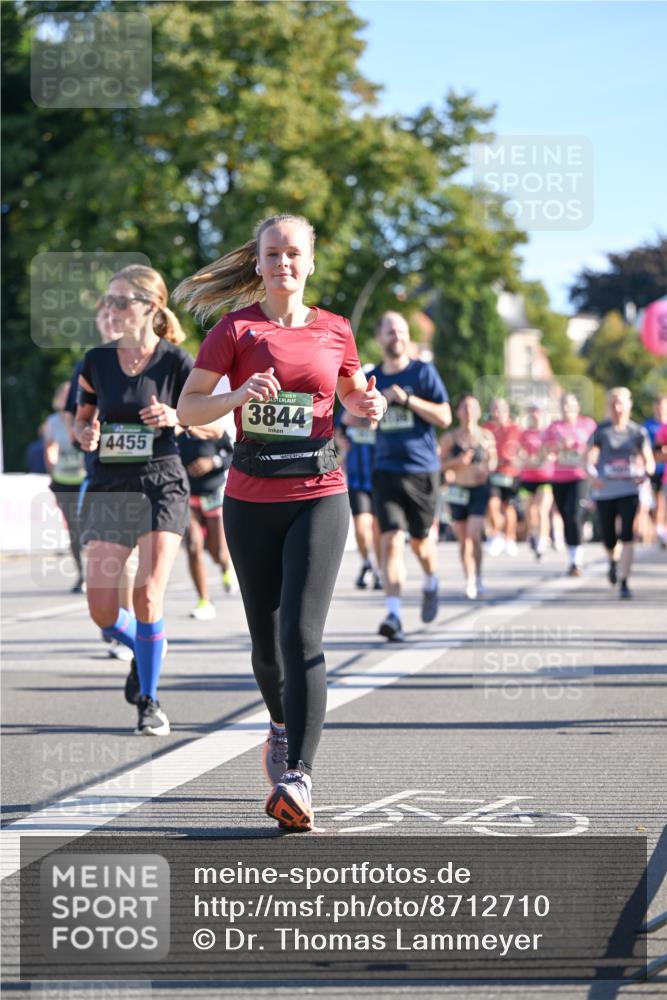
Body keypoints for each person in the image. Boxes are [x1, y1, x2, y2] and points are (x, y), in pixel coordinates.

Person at [174, 213, 385, 832]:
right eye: (272, 254)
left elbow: (349, 395)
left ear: (310, 263)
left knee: (300, 635)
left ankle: (299, 775)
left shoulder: (336, 329)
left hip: (320, 492)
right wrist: (238, 397)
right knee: (266, 646)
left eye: (294, 253)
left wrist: (365, 404)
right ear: (259, 263)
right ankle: (278, 721)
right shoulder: (235, 330)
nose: (283, 263)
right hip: (249, 501)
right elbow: (189, 410)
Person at [74, 264, 216, 736]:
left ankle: (150, 701)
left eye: (120, 301)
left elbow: (217, 423)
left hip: (162, 482)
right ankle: (146, 644)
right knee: (101, 609)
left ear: (150, 308)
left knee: (148, 594)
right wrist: (86, 431)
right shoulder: (95, 360)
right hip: (110, 486)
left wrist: (177, 417)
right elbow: (82, 418)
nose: (110, 310)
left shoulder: (177, 362)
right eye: (107, 301)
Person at [369, 312, 451, 641]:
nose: (397, 337)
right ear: (380, 339)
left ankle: (431, 580)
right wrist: (368, 412)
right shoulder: (372, 377)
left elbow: (445, 416)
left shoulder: (422, 372)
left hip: (422, 470)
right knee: (390, 542)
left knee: (420, 543)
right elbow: (356, 421)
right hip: (385, 470)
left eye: (401, 331)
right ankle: (393, 614)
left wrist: (407, 399)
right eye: (390, 331)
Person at [586, 387, 655, 598]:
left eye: (621, 403)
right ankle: (612, 561)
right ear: (610, 405)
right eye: (614, 403)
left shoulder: (637, 432)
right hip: (605, 491)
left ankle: (624, 581)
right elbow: (589, 457)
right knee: (609, 538)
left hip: (629, 490)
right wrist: (592, 476)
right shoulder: (601, 431)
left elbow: (649, 459)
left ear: (629, 405)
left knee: (627, 536)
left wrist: (646, 473)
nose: (618, 408)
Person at [440, 394, 496, 599]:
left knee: (474, 533)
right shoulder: (450, 438)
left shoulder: (487, 437)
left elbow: (493, 462)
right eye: (464, 407)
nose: (468, 411)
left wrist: (487, 470)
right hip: (458, 490)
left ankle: (479, 575)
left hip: (479, 489)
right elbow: (438, 463)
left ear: (479, 412)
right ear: (458, 412)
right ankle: (469, 578)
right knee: (463, 538)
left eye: (473, 407)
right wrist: (457, 462)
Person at [179, 424, 235, 620]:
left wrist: (212, 462)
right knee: (193, 545)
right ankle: (204, 600)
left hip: (213, 493)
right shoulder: (176, 427)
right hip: (186, 494)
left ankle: (225, 566)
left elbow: (232, 454)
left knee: (218, 552)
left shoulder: (213, 424)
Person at [544, 393, 596, 576]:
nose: (567, 408)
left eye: (571, 404)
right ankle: (572, 555)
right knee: (566, 516)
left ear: (578, 407)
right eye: (564, 404)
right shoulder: (554, 428)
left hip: (580, 475)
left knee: (574, 513)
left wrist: (580, 448)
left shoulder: (588, 425)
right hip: (559, 477)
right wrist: (557, 447)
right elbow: (545, 451)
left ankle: (577, 562)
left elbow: (597, 449)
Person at [43, 381, 87, 592]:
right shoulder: (52, 422)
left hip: (85, 479)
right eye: (62, 394)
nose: (65, 398)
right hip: (63, 480)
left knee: (90, 526)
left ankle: (102, 573)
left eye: (70, 394)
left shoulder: (85, 417)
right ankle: (82, 574)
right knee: (74, 531)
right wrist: (52, 469)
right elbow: (50, 447)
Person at [334, 407, 382, 590]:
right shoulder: (347, 410)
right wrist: (340, 440)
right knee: (362, 529)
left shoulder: (379, 406)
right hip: (357, 480)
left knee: (378, 530)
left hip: (380, 478)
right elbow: (338, 434)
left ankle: (379, 570)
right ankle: (366, 563)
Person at [483, 398, 521, 556]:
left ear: (507, 410)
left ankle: (509, 538)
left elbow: (521, 449)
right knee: (492, 504)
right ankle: (496, 535)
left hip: (511, 473)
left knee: (508, 508)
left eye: (500, 409)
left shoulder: (515, 429)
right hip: (493, 472)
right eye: (494, 409)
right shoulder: (486, 429)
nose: (496, 413)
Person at [517, 403, 552, 560]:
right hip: (527, 478)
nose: (534, 416)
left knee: (541, 509)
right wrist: (527, 459)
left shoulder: (547, 433)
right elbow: (519, 454)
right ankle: (533, 534)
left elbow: (552, 454)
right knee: (530, 511)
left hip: (545, 477)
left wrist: (542, 459)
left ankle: (543, 540)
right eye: (531, 413)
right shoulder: (523, 434)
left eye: (537, 413)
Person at [643, 394, 667, 548]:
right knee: (656, 503)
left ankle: (661, 531)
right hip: (654, 470)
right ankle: (659, 532)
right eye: (658, 406)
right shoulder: (648, 426)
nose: (661, 409)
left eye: (664, 406)